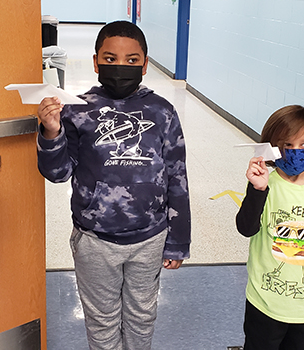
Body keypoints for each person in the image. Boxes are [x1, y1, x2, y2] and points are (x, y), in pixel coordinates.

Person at [37, 20, 191, 349]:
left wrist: (178, 240)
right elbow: (58, 173)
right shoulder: (76, 111)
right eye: (110, 59)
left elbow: (177, 176)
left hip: (149, 238)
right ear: (95, 62)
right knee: (102, 318)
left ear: (145, 65)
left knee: (141, 314)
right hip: (95, 240)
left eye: (131, 60)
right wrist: (51, 131)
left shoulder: (163, 112)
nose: (120, 67)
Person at [235, 105, 304, 350]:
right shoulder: (265, 186)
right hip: (264, 304)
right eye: (288, 145)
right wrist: (257, 190)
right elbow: (246, 228)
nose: (297, 151)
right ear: (273, 147)